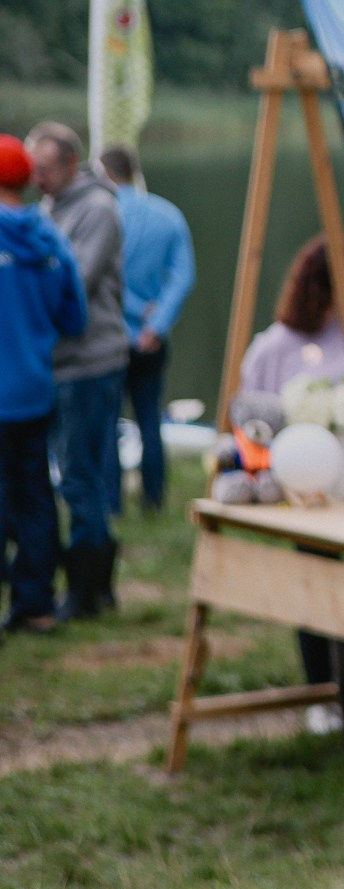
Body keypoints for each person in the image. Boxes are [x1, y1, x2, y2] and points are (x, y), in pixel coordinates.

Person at [240, 236, 344, 697]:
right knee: (318, 581)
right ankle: (323, 688)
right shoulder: (277, 345)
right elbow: (251, 415)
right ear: (320, 283)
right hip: (309, 483)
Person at [27, 123, 128, 621]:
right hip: (56, 364)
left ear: (71, 163)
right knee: (69, 475)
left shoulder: (98, 210)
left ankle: (87, 590)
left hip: (92, 364)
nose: (36, 178)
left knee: (80, 477)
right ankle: (96, 586)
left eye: (43, 169)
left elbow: (77, 284)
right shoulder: (48, 208)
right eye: (31, 170)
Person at [0, 135, 87, 635]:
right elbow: (73, 315)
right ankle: (35, 604)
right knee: (35, 495)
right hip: (34, 389)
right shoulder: (49, 236)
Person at [98, 145, 195, 515]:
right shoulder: (168, 215)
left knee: (107, 424)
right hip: (151, 339)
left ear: (104, 172)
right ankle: (153, 502)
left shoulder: (99, 215)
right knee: (150, 419)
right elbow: (183, 276)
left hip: (107, 337)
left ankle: (112, 506)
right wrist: (157, 324)